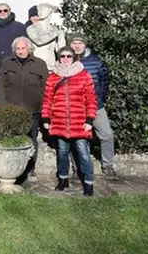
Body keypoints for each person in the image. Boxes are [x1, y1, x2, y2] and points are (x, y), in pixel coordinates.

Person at [42, 47, 98, 196]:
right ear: (59, 58)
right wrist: (46, 118)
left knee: (83, 154)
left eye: (68, 56)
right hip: (59, 121)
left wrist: (90, 119)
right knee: (62, 152)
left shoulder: (84, 75)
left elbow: (91, 99)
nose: (65, 58)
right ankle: (63, 179)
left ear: (74, 57)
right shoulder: (53, 77)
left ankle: (88, 182)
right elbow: (48, 99)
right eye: (62, 56)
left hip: (79, 122)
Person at [0, 36, 49, 181]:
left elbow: (46, 88)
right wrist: (4, 105)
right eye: (17, 48)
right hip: (12, 110)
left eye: (23, 48)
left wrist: (45, 107)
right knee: (13, 139)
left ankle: (30, 169)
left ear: (29, 49)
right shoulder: (6, 63)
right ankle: (13, 169)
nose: (20, 51)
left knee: (31, 140)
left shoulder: (39, 64)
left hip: (32, 110)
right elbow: (0, 85)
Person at [69, 33, 117, 178]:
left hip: (95, 105)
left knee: (106, 134)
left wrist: (99, 98)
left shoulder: (96, 62)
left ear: (85, 45)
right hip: (75, 107)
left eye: (80, 43)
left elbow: (104, 81)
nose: (77, 46)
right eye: (74, 43)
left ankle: (108, 165)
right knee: (75, 137)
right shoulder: (66, 61)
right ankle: (77, 167)